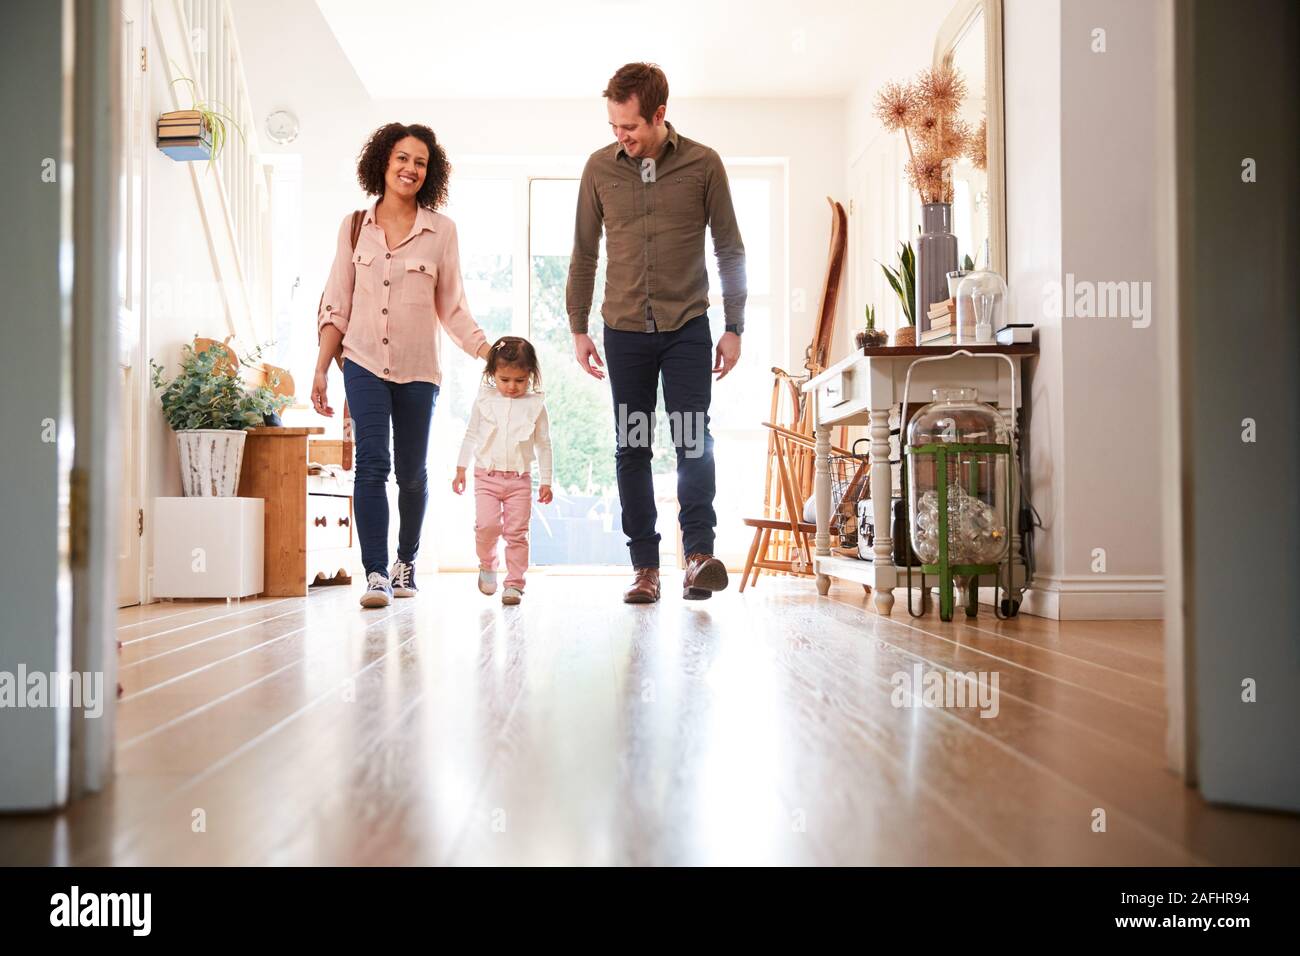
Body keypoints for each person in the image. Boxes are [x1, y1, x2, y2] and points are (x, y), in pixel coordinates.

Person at [565, 63, 747, 604]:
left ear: (660, 115)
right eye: (615, 126)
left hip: (686, 327)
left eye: (631, 127)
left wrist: (734, 326)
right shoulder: (599, 169)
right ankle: (645, 566)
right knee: (633, 446)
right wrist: (578, 327)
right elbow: (583, 253)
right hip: (623, 331)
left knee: (693, 439)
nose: (621, 137)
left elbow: (730, 250)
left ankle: (697, 557)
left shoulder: (702, 165)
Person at [312, 122, 491, 608]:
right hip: (363, 361)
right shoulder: (354, 227)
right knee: (372, 464)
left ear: (428, 174)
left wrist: (487, 352)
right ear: (382, 164)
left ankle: (405, 560)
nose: (410, 169)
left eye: (420, 163)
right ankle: (374, 573)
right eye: (402, 159)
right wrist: (323, 366)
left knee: (411, 472)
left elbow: (452, 307)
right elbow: (336, 302)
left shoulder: (441, 232)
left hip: (418, 370)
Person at [453, 336, 553, 606]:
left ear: (530, 375)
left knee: (516, 532)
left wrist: (546, 480)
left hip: (519, 480)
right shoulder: (485, 400)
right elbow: (471, 434)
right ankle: (487, 564)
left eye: (519, 381)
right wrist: (461, 467)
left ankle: (515, 583)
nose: (511, 387)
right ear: (492, 374)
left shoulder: (535, 405)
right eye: (504, 379)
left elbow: (544, 444)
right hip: (486, 476)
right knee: (487, 527)